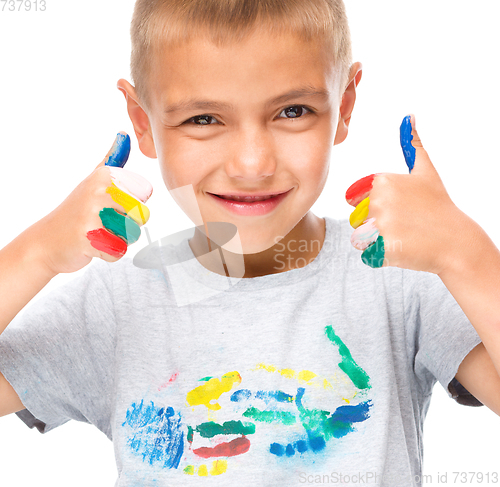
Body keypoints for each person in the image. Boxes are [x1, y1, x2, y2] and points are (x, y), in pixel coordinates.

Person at [1, 0, 499, 485]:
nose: (252, 164)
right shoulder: (112, 303)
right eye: (203, 119)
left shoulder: (401, 275)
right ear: (141, 120)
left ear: (344, 106)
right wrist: (37, 252)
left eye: (292, 111)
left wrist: (466, 254)